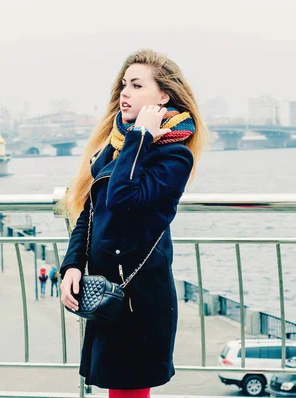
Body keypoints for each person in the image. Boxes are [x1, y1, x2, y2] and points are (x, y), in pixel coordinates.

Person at [59, 49, 207, 398]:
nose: (124, 92)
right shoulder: (117, 147)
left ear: (163, 97)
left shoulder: (174, 156)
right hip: (108, 289)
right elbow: (91, 211)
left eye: (137, 85)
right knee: (118, 390)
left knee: (129, 391)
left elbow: (123, 198)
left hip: (139, 297)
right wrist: (72, 265)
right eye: (124, 84)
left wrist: (141, 137)